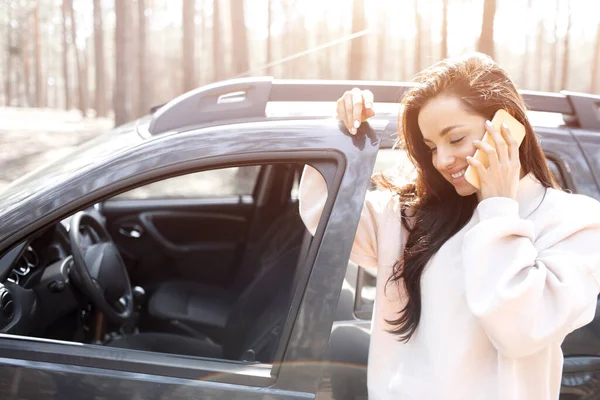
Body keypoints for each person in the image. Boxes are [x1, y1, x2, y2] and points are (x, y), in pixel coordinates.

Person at [298, 53, 600, 399]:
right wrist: (340, 133)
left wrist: (498, 207)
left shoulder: (575, 222)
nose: (441, 160)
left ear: (507, 126)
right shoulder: (413, 216)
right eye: (431, 147)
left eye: (455, 139)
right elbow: (325, 215)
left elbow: (520, 330)